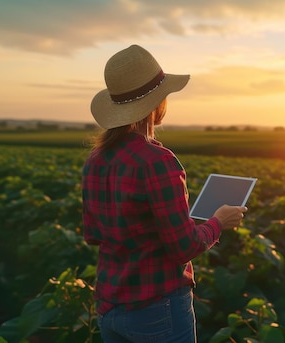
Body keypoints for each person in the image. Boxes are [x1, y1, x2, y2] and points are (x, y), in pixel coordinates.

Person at [82, 44, 247, 343]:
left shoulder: (96, 159)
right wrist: (218, 222)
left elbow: (93, 233)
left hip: (109, 305)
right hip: (156, 308)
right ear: (156, 104)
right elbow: (183, 248)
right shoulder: (157, 161)